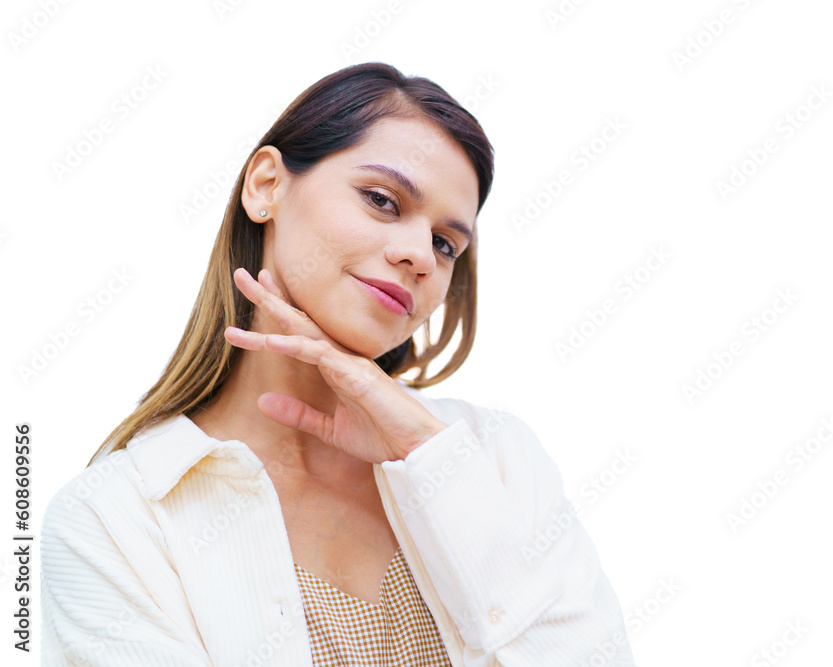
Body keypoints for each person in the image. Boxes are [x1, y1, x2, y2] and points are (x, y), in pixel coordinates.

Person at [40, 62, 636, 666]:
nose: (418, 257)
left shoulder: (498, 459)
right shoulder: (113, 521)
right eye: (382, 200)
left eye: (445, 243)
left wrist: (435, 459)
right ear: (267, 186)